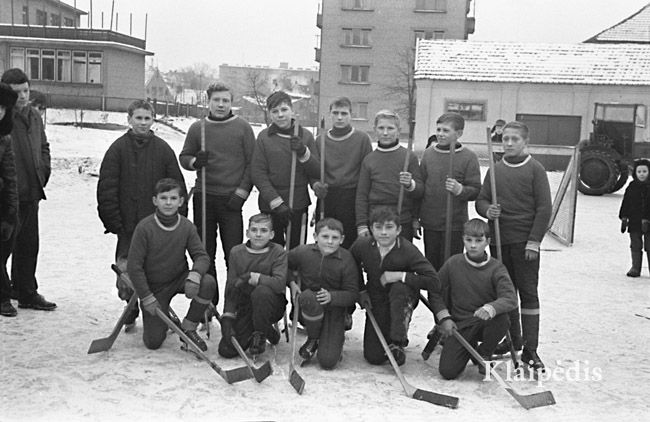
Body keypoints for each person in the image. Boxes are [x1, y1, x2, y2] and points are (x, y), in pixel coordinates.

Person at [97, 99, 186, 330]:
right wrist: (113, 220)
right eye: (138, 118)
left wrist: (178, 217)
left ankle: (157, 306)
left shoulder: (163, 150)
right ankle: (130, 306)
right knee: (126, 271)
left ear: (153, 120)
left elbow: (177, 185)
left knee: (154, 269)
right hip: (128, 226)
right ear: (129, 119)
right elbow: (107, 188)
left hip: (158, 225)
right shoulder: (117, 149)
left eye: (147, 118)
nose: (143, 123)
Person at [476, 121, 552, 372]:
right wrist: (489, 210)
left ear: (525, 142)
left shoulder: (535, 169)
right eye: (505, 139)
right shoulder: (496, 170)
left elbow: (544, 209)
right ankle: (513, 339)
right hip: (499, 240)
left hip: (525, 243)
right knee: (505, 295)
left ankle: (531, 348)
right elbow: (481, 200)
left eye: (514, 139)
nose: (508, 143)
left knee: (528, 293)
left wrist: (534, 241)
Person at [179, 82, 256, 306]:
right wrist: (195, 161)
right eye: (216, 100)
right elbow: (184, 157)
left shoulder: (242, 128)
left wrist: (241, 193)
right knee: (205, 252)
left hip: (232, 200)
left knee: (234, 254)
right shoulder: (198, 128)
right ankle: (207, 304)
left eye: (226, 101)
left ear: (232, 103)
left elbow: (252, 164)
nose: (221, 105)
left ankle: (233, 306)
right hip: (205, 197)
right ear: (209, 101)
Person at [127, 178, 216, 351]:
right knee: (153, 342)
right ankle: (163, 316)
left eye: (173, 198)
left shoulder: (186, 226)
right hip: (155, 287)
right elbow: (134, 266)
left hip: (178, 278)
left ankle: (189, 328)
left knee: (208, 283)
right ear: (155, 201)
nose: (168, 203)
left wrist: (195, 275)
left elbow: (201, 256)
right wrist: (146, 296)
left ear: (181, 201)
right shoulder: (145, 228)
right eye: (164, 198)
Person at [429, 219, 517, 379]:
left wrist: (491, 308)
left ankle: (484, 353)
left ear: (488, 242)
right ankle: (469, 351)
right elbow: (435, 291)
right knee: (448, 372)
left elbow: (510, 298)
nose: (473, 245)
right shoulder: (453, 263)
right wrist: (444, 317)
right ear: (463, 239)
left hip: (484, 323)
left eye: (479, 240)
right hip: (459, 326)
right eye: (468, 240)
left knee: (502, 318)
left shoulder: (496, 268)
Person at [350, 206, 438, 366]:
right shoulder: (362, 245)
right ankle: (387, 337)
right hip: (377, 297)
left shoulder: (408, 250)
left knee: (399, 290)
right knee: (374, 357)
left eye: (389, 227)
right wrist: (361, 290)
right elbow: (350, 263)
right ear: (371, 229)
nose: (383, 232)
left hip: (403, 296)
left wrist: (401, 276)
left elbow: (433, 281)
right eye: (378, 227)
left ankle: (398, 341)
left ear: (398, 230)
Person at [1, 68, 54, 311]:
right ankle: (3, 294)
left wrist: (43, 171)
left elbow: (43, 146)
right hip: (9, 194)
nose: (22, 96)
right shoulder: (3, 118)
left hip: (32, 192)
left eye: (25, 90)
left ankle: (26, 291)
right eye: (16, 92)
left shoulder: (33, 116)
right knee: (4, 247)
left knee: (28, 246)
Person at [251, 91, 320, 249]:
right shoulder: (263, 137)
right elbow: (258, 173)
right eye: (275, 111)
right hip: (270, 204)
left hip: (298, 202)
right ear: (269, 115)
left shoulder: (306, 136)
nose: (280, 115)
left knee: (296, 250)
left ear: (292, 110)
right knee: (272, 250)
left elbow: (316, 171)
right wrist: (276, 202)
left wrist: (303, 152)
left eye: (284, 110)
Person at [288, 218, 359, 368]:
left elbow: (353, 293)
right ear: (315, 237)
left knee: (327, 362)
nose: (330, 242)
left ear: (342, 239)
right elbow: (282, 265)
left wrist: (332, 297)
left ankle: (333, 337)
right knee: (307, 296)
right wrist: (292, 282)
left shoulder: (346, 259)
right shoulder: (303, 252)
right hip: (310, 306)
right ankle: (313, 338)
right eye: (325, 237)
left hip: (334, 309)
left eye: (335, 238)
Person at [418, 112, 481, 271]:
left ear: (458, 133)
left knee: (451, 268)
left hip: (454, 224)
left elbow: (475, 190)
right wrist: (415, 217)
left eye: (446, 131)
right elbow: (420, 187)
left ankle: (450, 296)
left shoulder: (468, 157)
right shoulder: (428, 154)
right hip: (431, 222)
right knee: (432, 267)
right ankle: (434, 296)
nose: (440, 134)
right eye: (438, 129)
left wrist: (461, 190)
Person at [218, 213, 287, 357]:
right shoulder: (237, 252)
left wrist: (256, 277)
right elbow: (231, 285)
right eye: (254, 230)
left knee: (260, 292)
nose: (258, 234)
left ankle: (260, 334)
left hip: (270, 304)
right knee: (227, 350)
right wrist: (228, 317)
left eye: (264, 231)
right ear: (247, 232)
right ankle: (269, 332)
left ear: (272, 234)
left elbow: (279, 284)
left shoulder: (278, 252)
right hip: (246, 305)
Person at [312, 97, 373, 249]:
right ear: (330, 114)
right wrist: (315, 185)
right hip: (327, 196)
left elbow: (367, 172)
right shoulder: (321, 140)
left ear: (351, 115)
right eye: (336, 113)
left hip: (351, 197)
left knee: (349, 241)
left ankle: (348, 271)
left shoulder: (362, 139)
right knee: (326, 239)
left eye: (344, 113)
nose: (339, 117)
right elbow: (313, 170)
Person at [356, 110, 423, 242]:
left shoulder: (409, 157)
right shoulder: (369, 159)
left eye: (390, 128)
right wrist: (362, 224)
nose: (385, 133)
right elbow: (361, 195)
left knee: (400, 260)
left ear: (399, 130)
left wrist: (410, 185)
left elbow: (420, 192)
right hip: (375, 221)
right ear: (375, 130)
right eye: (381, 128)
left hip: (401, 219)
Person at [0, 83, 19, 317]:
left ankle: (4, 297)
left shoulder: (4, 139)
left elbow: (11, 177)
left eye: (3, 107)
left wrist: (10, 214)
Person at [619, 159, 650, 277]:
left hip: (649, 223)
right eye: (639, 171)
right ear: (635, 173)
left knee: (649, 246)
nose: (642, 174)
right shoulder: (632, 187)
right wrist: (624, 217)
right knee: (635, 245)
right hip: (634, 221)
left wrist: (647, 219)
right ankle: (635, 268)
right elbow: (626, 203)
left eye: (645, 171)